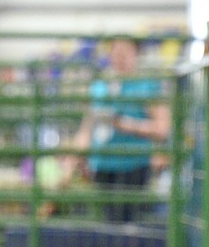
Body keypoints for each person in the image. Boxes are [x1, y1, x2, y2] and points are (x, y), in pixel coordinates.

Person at [69, 36, 170, 222]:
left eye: (125, 52)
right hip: (102, 167)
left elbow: (163, 128)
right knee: (108, 222)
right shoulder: (99, 87)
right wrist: (70, 163)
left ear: (136, 55)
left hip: (135, 166)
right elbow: (86, 128)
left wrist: (127, 125)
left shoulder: (148, 86)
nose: (120, 58)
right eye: (115, 52)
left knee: (128, 222)